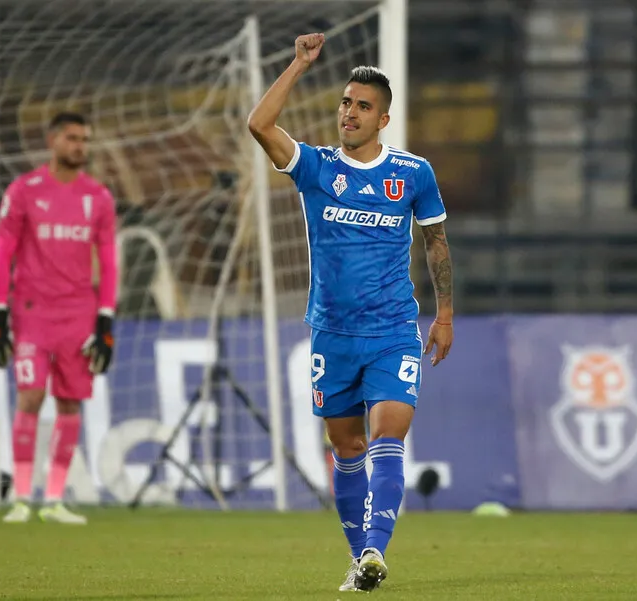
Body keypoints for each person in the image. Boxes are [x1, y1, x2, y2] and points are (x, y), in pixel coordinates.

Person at [247, 33, 454, 591]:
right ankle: (360, 555)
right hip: (332, 335)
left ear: (383, 118)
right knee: (346, 448)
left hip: (392, 331)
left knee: (388, 438)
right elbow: (260, 125)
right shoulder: (315, 168)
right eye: (345, 102)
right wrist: (297, 65)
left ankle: (375, 553)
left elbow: (435, 243)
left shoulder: (413, 173)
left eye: (363, 106)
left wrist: (444, 314)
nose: (350, 112)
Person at [0, 111, 118, 525]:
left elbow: (110, 261)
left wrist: (106, 320)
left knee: (70, 401)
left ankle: (55, 500)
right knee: (30, 395)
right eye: (74, 138)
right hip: (32, 311)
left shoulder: (98, 197)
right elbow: (3, 249)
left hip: (78, 313)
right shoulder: (24, 190)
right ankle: (22, 498)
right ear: (53, 140)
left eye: (85, 139)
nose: (81, 146)